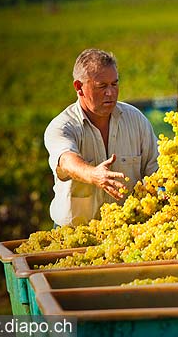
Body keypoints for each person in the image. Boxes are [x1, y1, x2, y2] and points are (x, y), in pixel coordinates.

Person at [44, 48, 159, 227]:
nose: (110, 93)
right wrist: (93, 174)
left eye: (114, 84)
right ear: (78, 87)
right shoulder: (62, 126)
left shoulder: (136, 120)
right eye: (102, 86)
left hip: (127, 232)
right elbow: (65, 161)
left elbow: (156, 171)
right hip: (74, 234)